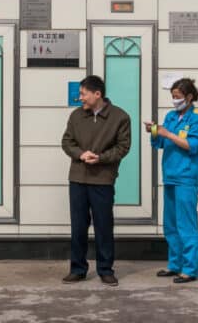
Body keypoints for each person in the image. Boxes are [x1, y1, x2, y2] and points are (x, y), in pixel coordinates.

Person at [60, 75, 132, 286]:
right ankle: (78, 269)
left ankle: (105, 269)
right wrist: (81, 154)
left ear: (97, 94)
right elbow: (67, 142)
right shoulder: (76, 116)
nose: (80, 97)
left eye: (83, 93)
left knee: (103, 226)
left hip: (103, 180)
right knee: (78, 226)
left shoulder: (120, 117)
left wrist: (101, 158)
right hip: (78, 178)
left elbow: (123, 147)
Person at [145, 78, 198, 283]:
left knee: (186, 224)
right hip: (170, 176)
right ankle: (175, 264)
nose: (174, 101)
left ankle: (189, 269)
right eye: (172, 97)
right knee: (171, 224)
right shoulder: (171, 116)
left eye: (178, 97)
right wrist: (155, 131)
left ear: (189, 97)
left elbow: (193, 146)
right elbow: (161, 143)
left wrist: (167, 133)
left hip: (186, 178)